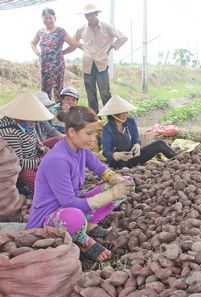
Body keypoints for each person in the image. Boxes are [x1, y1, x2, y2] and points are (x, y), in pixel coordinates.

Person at [26, 106, 134, 262]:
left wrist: (116, 180)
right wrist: (112, 195)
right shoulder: (57, 159)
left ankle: (84, 226)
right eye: (88, 133)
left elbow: (100, 168)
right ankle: (85, 242)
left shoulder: (81, 149)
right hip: (49, 217)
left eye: (95, 133)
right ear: (71, 132)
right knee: (75, 217)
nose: (93, 139)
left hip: (72, 207)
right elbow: (68, 202)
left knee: (127, 183)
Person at [65, 3, 127, 113]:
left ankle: (111, 119)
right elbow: (74, 41)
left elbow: (123, 37)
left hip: (101, 64)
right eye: (87, 15)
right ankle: (95, 121)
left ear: (96, 14)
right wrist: (82, 47)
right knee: (91, 95)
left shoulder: (106, 27)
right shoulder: (82, 29)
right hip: (88, 65)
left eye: (91, 14)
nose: (89, 17)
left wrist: (112, 46)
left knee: (105, 94)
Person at [99, 95, 177, 169]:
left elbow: (136, 138)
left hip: (134, 157)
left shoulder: (130, 121)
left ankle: (179, 159)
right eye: (122, 113)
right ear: (113, 114)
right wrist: (115, 155)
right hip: (119, 163)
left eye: (126, 112)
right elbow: (105, 151)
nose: (125, 114)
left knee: (160, 144)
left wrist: (137, 144)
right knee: (123, 146)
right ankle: (127, 169)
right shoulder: (107, 129)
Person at [0, 92, 54, 192]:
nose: (34, 122)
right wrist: (41, 161)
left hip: (34, 155)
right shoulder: (10, 133)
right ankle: (44, 193)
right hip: (22, 168)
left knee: (57, 141)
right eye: (32, 119)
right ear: (19, 118)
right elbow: (18, 162)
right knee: (30, 176)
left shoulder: (26, 123)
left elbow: (35, 141)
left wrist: (42, 148)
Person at [31, 8, 78, 101]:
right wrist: (38, 53)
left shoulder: (61, 31)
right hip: (44, 65)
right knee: (44, 90)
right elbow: (33, 43)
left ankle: (59, 112)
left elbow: (74, 44)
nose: (48, 20)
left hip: (57, 65)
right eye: (45, 18)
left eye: (50, 18)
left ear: (54, 18)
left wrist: (62, 52)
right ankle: (46, 112)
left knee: (58, 89)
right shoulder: (40, 32)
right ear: (42, 18)